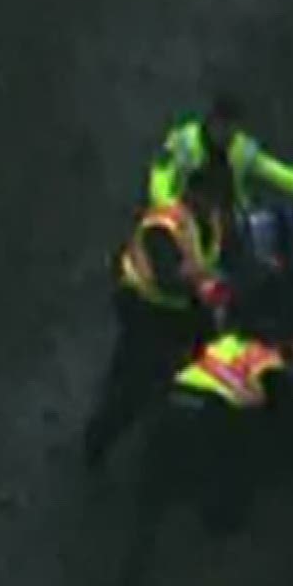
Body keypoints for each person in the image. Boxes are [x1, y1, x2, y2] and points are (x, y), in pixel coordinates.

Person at [97, 331, 293, 586]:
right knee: (231, 471)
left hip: (171, 420)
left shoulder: (224, 345)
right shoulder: (274, 369)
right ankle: (221, 521)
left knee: (151, 506)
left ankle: (127, 580)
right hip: (206, 428)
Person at [83, 165, 238, 470]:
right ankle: (99, 442)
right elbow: (166, 276)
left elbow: (219, 256)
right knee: (134, 385)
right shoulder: (164, 225)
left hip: (183, 311)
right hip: (145, 310)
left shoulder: (211, 223)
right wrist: (203, 288)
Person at [148, 94, 293, 211]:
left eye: (232, 127)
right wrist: (167, 205)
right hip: (185, 217)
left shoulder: (241, 148)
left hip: (229, 219)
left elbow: (276, 172)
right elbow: (161, 174)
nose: (226, 133)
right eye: (222, 126)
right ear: (211, 121)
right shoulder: (184, 141)